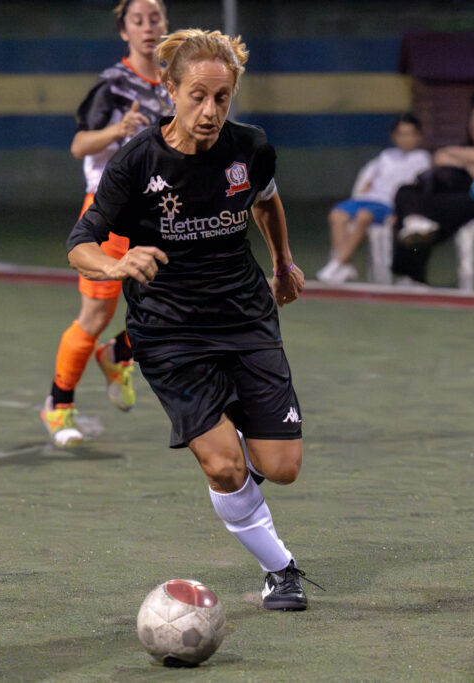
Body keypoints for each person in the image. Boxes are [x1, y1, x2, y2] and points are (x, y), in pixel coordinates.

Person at [66, 29, 316, 610]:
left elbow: (266, 198)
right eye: (197, 96)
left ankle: (232, 439)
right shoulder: (136, 162)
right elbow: (79, 243)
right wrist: (118, 261)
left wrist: (283, 263)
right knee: (227, 467)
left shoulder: (250, 148)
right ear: (170, 92)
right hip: (170, 331)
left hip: (244, 318)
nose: (210, 111)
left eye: (222, 98)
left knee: (282, 468)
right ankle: (281, 569)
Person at [40, 0, 174, 447]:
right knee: (96, 314)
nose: (148, 27)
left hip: (158, 211)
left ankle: (118, 354)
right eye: (138, 20)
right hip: (109, 211)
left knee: (175, 304)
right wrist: (117, 132)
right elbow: (80, 145)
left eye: (155, 18)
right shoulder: (113, 86)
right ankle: (58, 407)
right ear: (124, 31)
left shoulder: (176, 84)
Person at [389, 102, 474, 286]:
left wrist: (460, 158)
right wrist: (469, 164)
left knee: (420, 213)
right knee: (406, 193)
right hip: (449, 198)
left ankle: (411, 273)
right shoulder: (466, 146)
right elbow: (441, 156)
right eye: (473, 120)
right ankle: (415, 228)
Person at [316, 113, 431, 283]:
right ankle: (345, 264)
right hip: (368, 198)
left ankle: (336, 264)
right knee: (337, 214)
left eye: (410, 134)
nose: (405, 139)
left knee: (363, 217)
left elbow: (419, 190)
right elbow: (370, 178)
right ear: (394, 136)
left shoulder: (423, 159)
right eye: (401, 134)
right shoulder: (386, 156)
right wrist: (364, 189)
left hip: (388, 204)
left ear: (419, 136)